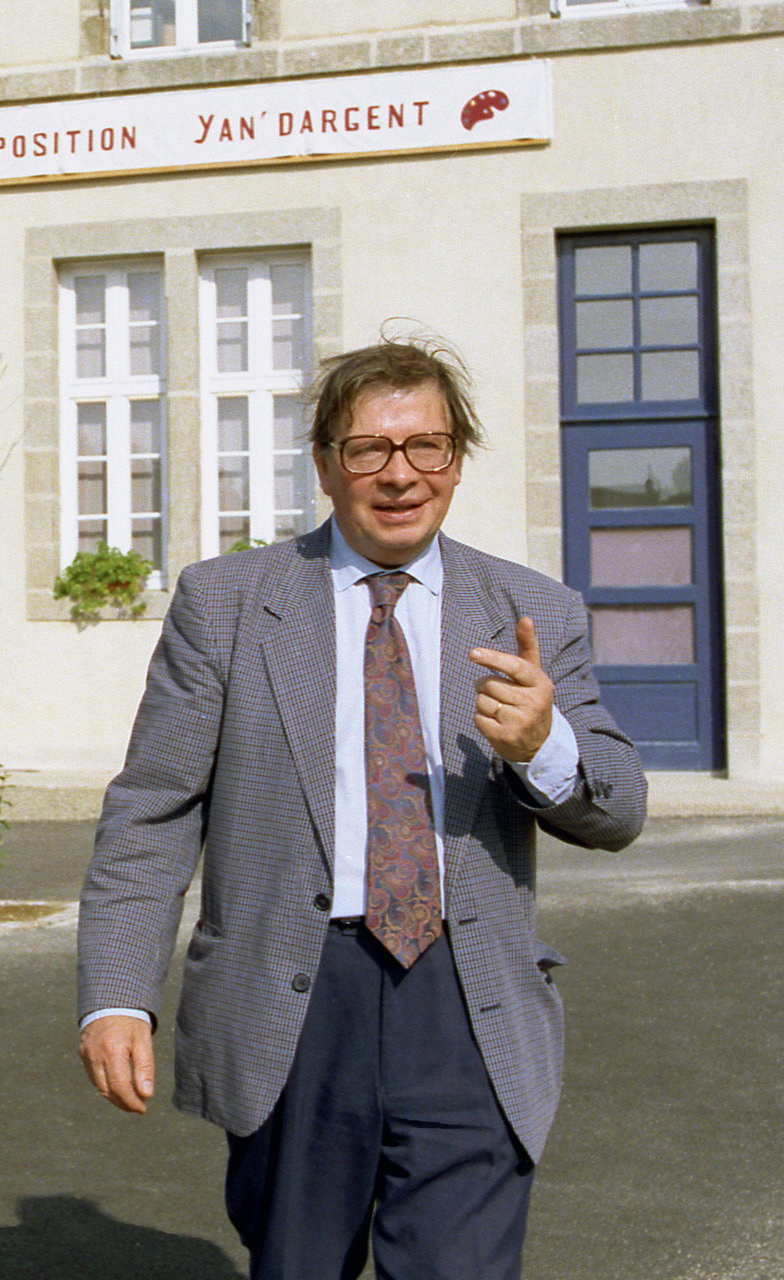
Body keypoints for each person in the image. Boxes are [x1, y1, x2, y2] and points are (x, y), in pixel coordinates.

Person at [77, 337, 647, 1280]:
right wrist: (117, 994)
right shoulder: (227, 604)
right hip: (293, 1001)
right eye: (368, 449)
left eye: (425, 445)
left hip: (470, 1001)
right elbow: (153, 810)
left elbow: (618, 810)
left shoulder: (530, 608)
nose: (400, 474)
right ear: (326, 465)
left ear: (456, 459)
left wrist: (543, 743)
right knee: (298, 1264)